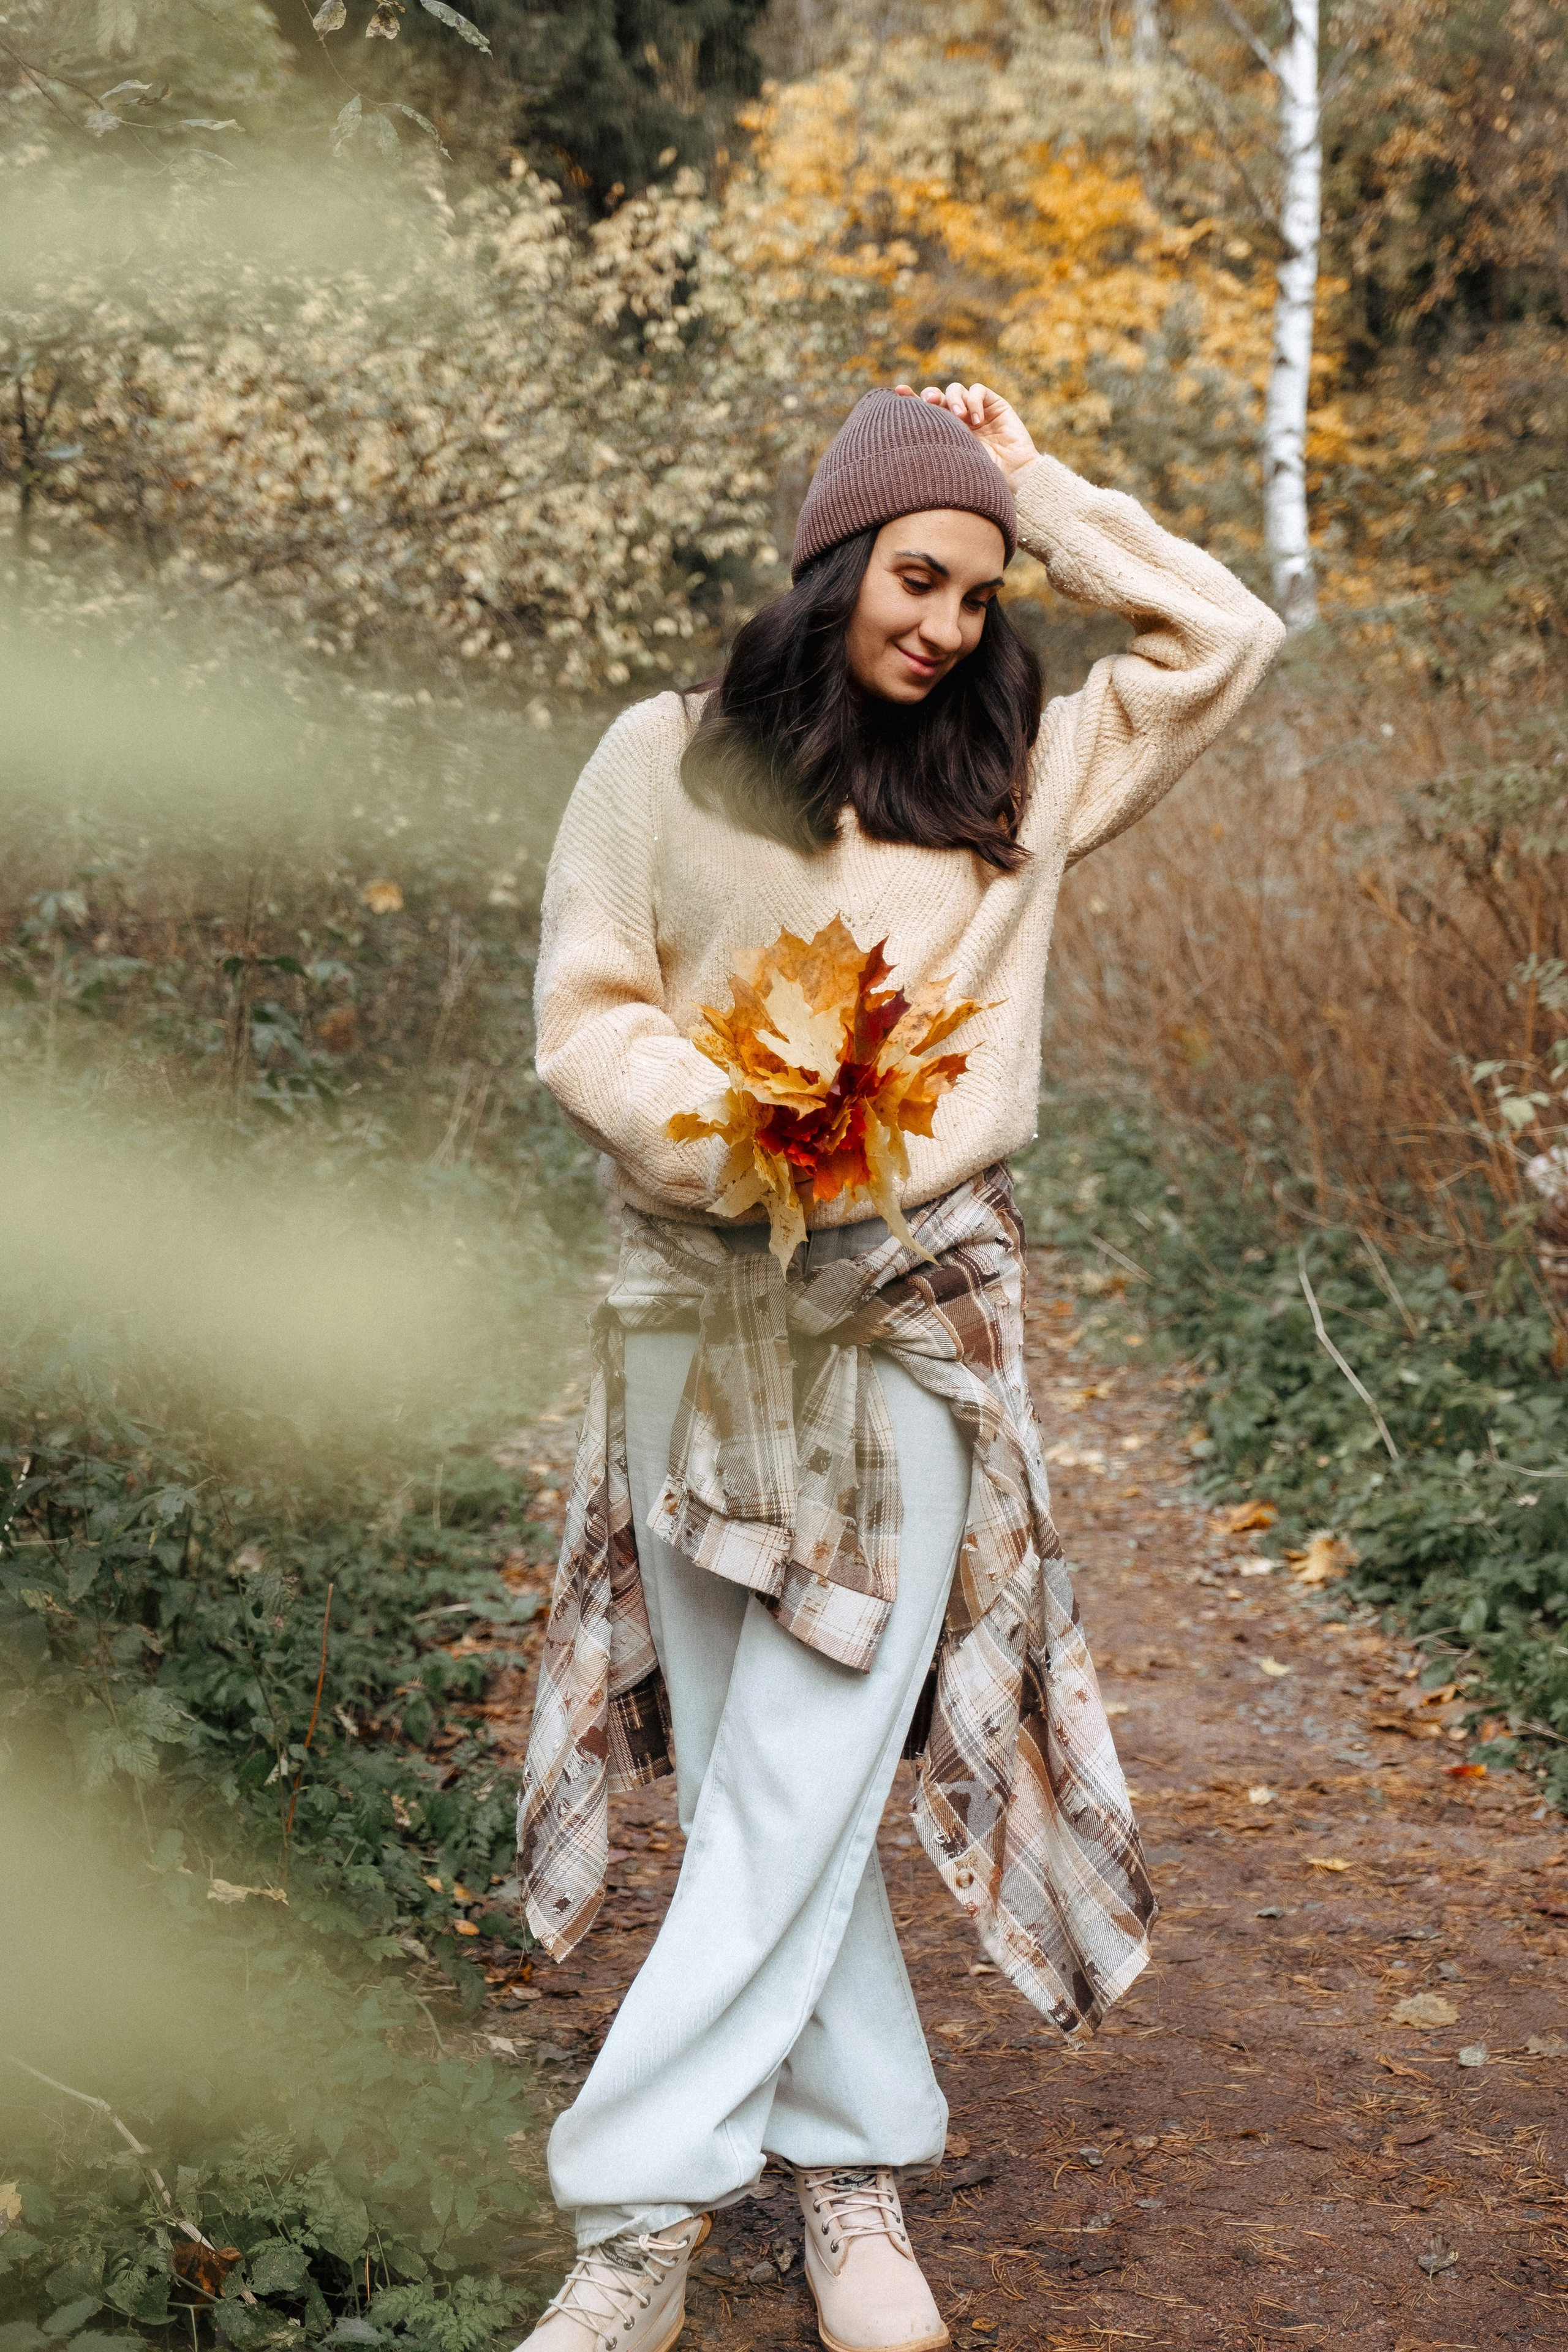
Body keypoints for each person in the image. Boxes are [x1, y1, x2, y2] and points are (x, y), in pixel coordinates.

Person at [514, 382, 1286, 2352]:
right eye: (915, 574)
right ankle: (851, 2171)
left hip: (912, 1315)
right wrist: (739, 1128)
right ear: (833, 560)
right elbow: (590, 1014)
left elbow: (1226, 636)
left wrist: (1032, 483)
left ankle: (637, 2218)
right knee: (772, 1780)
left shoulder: (1022, 773)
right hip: (698, 1307)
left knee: (803, 1760)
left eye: (978, 588)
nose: (944, 623)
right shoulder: (663, 761)